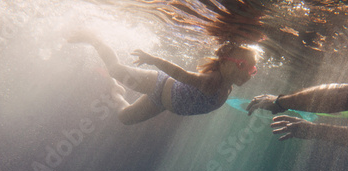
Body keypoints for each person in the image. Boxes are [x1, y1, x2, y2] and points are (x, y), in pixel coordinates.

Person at [67, 31, 258, 125]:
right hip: (159, 84)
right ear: (224, 63)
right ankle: (94, 39)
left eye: (251, 69)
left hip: (162, 103)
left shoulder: (227, 87)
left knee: (125, 117)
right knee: (116, 70)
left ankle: (117, 91)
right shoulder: (211, 80)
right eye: (242, 65)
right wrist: (153, 59)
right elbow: (182, 75)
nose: (246, 72)